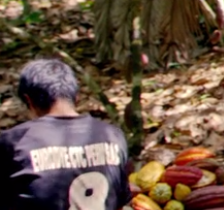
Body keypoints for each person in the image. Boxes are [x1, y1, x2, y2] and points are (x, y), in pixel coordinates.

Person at [0, 58, 132, 210]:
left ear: (29, 101)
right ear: (76, 97)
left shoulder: (13, 142)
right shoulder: (113, 136)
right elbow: (121, 202)